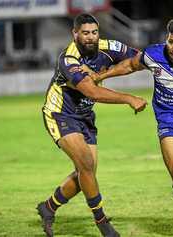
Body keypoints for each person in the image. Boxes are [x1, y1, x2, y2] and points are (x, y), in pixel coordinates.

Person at [83, 18, 173, 236]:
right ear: (166, 39)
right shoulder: (153, 55)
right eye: (171, 42)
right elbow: (129, 65)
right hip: (168, 120)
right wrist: (100, 75)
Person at [37, 13, 147, 237]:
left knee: (86, 175)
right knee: (86, 165)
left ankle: (48, 207)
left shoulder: (109, 47)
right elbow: (92, 91)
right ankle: (102, 222)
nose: (90, 37)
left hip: (85, 116)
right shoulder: (68, 59)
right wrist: (129, 98)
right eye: (85, 33)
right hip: (60, 114)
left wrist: (106, 73)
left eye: (94, 32)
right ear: (75, 34)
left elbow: (140, 59)